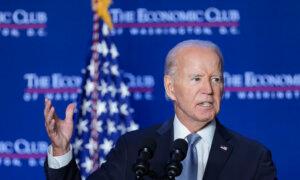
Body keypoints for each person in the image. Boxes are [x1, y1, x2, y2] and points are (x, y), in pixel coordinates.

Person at [44, 40, 277, 180]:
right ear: (170, 87)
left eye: (216, 79)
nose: (208, 89)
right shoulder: (134, 148)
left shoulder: (253, 158)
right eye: (196, 78)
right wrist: (61, 148)